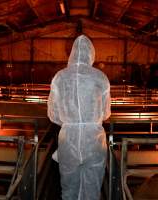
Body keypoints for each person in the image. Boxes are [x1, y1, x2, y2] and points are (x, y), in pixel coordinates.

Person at [47, 35, 111, 200]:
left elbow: (53, 114)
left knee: (68, 187)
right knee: (93, 187)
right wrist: (89, 122)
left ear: (72, 52)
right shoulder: (100, 77)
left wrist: (70, 123)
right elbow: (106, 113)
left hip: (68, 140)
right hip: (94, 141)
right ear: (91, 53)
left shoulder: (60, 77)